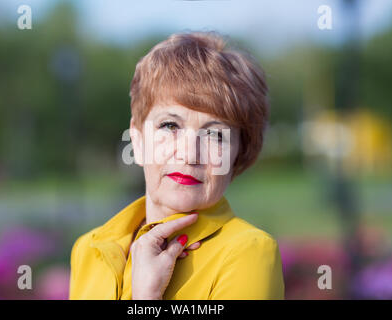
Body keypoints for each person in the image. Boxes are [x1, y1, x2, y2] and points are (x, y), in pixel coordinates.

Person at [69, 31, 285, 300]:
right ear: (137, 140)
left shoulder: (249, 253)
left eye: (215, 135)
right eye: (170, 125)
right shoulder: (89, 250)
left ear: (239, 155)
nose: (188, 154)